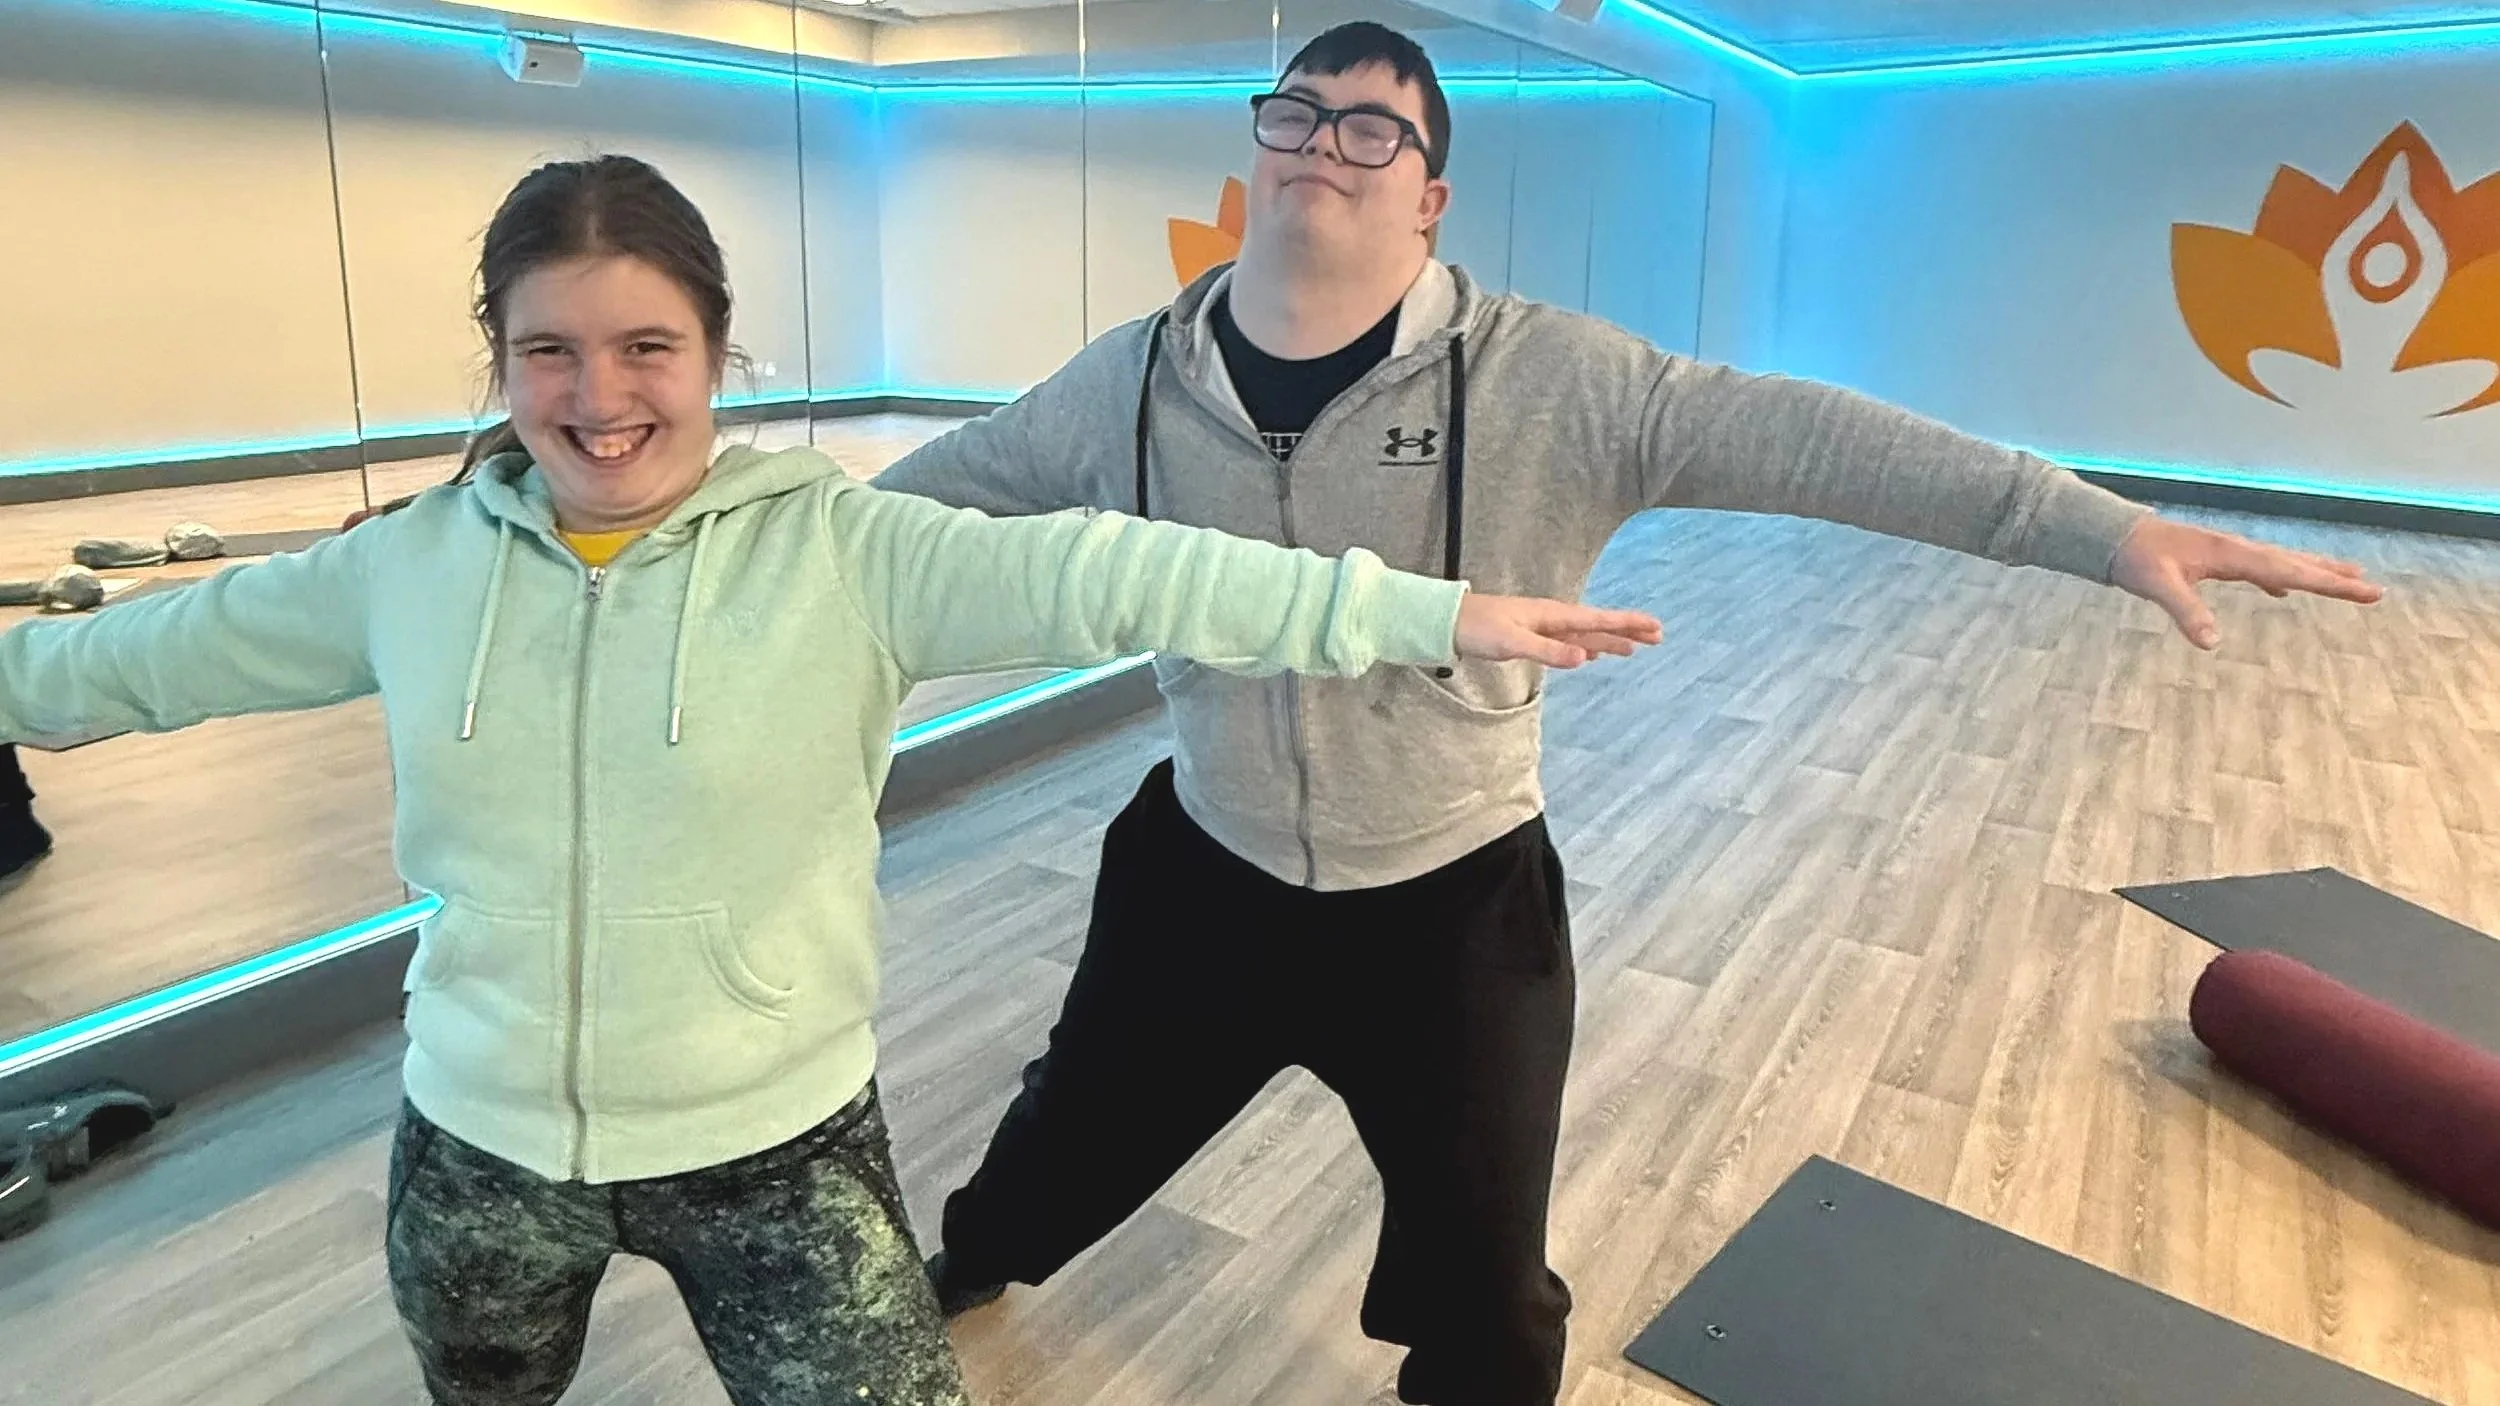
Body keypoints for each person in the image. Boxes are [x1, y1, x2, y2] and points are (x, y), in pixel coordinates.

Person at [870, 21, 2388, 1406]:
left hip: (1450, 904)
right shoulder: (1133, 382)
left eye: (1373, 128)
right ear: (1259, 147)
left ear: (1429, 196)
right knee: (1062, 1140)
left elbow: (1818, 440)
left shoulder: (1553, 379)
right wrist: (748, 541)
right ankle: (978, 1257)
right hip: (1208, 871)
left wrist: (2104, 531)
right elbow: (915, 510)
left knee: (1489, 1286)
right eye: (1298, 113)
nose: (1326, 142)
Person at [0, 154, 1662, 1406]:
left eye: (645, 345)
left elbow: (1134, 569)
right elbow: (134, 661)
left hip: (773, 1153)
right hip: (479, 1154)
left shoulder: (848, 553)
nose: (598, 396)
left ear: (719, 351)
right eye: (549, 350)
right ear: (498, 360)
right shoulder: (408, 566)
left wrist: (1420, 611)